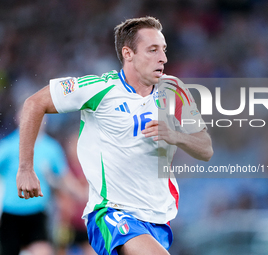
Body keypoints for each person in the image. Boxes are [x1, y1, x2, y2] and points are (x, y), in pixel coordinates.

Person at [17, 16, 213, 255]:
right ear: (128, 53)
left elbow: (205, 148)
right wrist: (26, 168)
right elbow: (34, 103)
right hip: (111, 212)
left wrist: (176, 136)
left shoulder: (175, 91)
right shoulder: (100, 89)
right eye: (152, 50)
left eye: (164, 50)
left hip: (158, 218)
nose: (163, 58)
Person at [0, 112, 86, 255]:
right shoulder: (8, 145)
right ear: (19, 119)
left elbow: (65, 178)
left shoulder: (51, 148)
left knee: (44, 251)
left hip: (37, 212)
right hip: (10, 213)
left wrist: (84, 194)